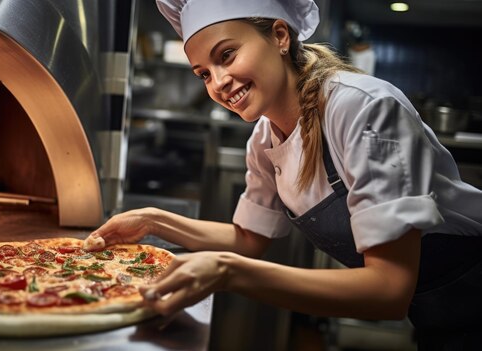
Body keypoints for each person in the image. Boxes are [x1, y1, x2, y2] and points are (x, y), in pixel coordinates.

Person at [85, 0, 482, 348]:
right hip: (436, 312)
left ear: (279, 36)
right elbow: (247, 239)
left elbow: (388, 290)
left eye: (227, 55)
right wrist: (153, 221)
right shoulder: (264, 139)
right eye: (203, 73)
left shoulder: (363, 108)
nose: (219, 83)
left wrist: (227, 271)